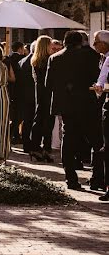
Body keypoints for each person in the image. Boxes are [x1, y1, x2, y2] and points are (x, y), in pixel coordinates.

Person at [45, 30, 104, 190]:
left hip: (66, 106)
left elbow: (48, 84)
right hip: (88, 104)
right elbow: (98, 79)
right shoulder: (90, 56)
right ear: (81, 42)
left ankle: (71, 179)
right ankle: (97, 178)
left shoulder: (54, 58)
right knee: (97, 141)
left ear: (64, 42)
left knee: (68, 141)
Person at [92, 30, 109, 201]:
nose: (94, 45)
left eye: (96, 42)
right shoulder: (103, 58)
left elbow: (102, 83)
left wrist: (100, 87)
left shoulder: (108, 59)